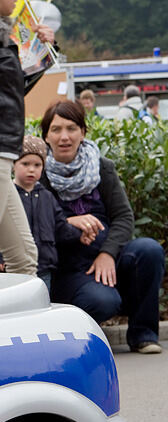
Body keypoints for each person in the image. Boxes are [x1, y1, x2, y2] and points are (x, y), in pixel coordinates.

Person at [42, 100, 165, 354]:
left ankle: (143, 335)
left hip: (106, 256)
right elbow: (32, 226)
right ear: (46, 136)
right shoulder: (37, 172)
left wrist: (107, 253)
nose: (64, 137)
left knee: (149, 250)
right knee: (102, 301)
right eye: (56, 129)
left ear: (83, 132)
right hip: (70, 269)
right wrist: (66, 222)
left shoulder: (101, 167)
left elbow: (123, 216)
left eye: (71, 128)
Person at [0, 0, 55, 277]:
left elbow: (13, 88)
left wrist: (43, 51)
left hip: (2, 150)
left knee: (24, 255)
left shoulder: (3, 31)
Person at [12, 136, 78, 292]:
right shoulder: (9, 195)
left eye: (37, 165)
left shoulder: (47, 196)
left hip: (43, 265)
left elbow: (60, 225)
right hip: (14, 266)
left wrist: (80, 234)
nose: (31, 169)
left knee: (41, 299)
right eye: (25, 164)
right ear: (13, 165)